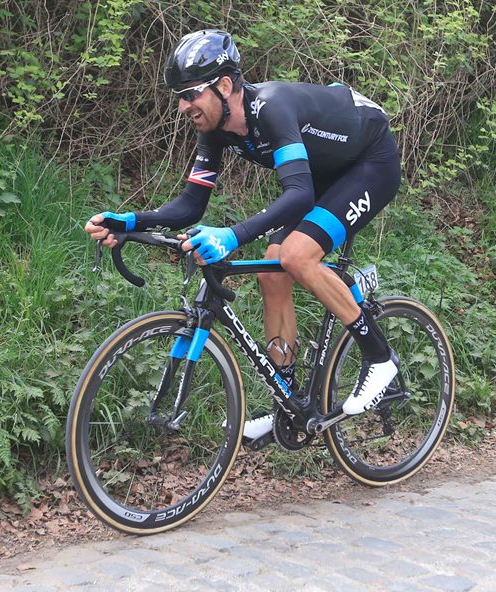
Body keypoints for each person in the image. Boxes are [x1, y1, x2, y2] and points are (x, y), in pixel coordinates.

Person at [85, 29, 402, 442]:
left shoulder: (272, 109)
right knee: (273, 270)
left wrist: (233, 235)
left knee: (296, 256)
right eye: (178, 97)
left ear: (225, 85)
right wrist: (130, 221)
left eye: (190, 94)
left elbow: (300, 193)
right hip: (322, 171)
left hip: (369, 162)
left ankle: (379, 357)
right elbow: (190, 206)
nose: (183, 106)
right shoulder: (214, 129)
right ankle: (288, 402)